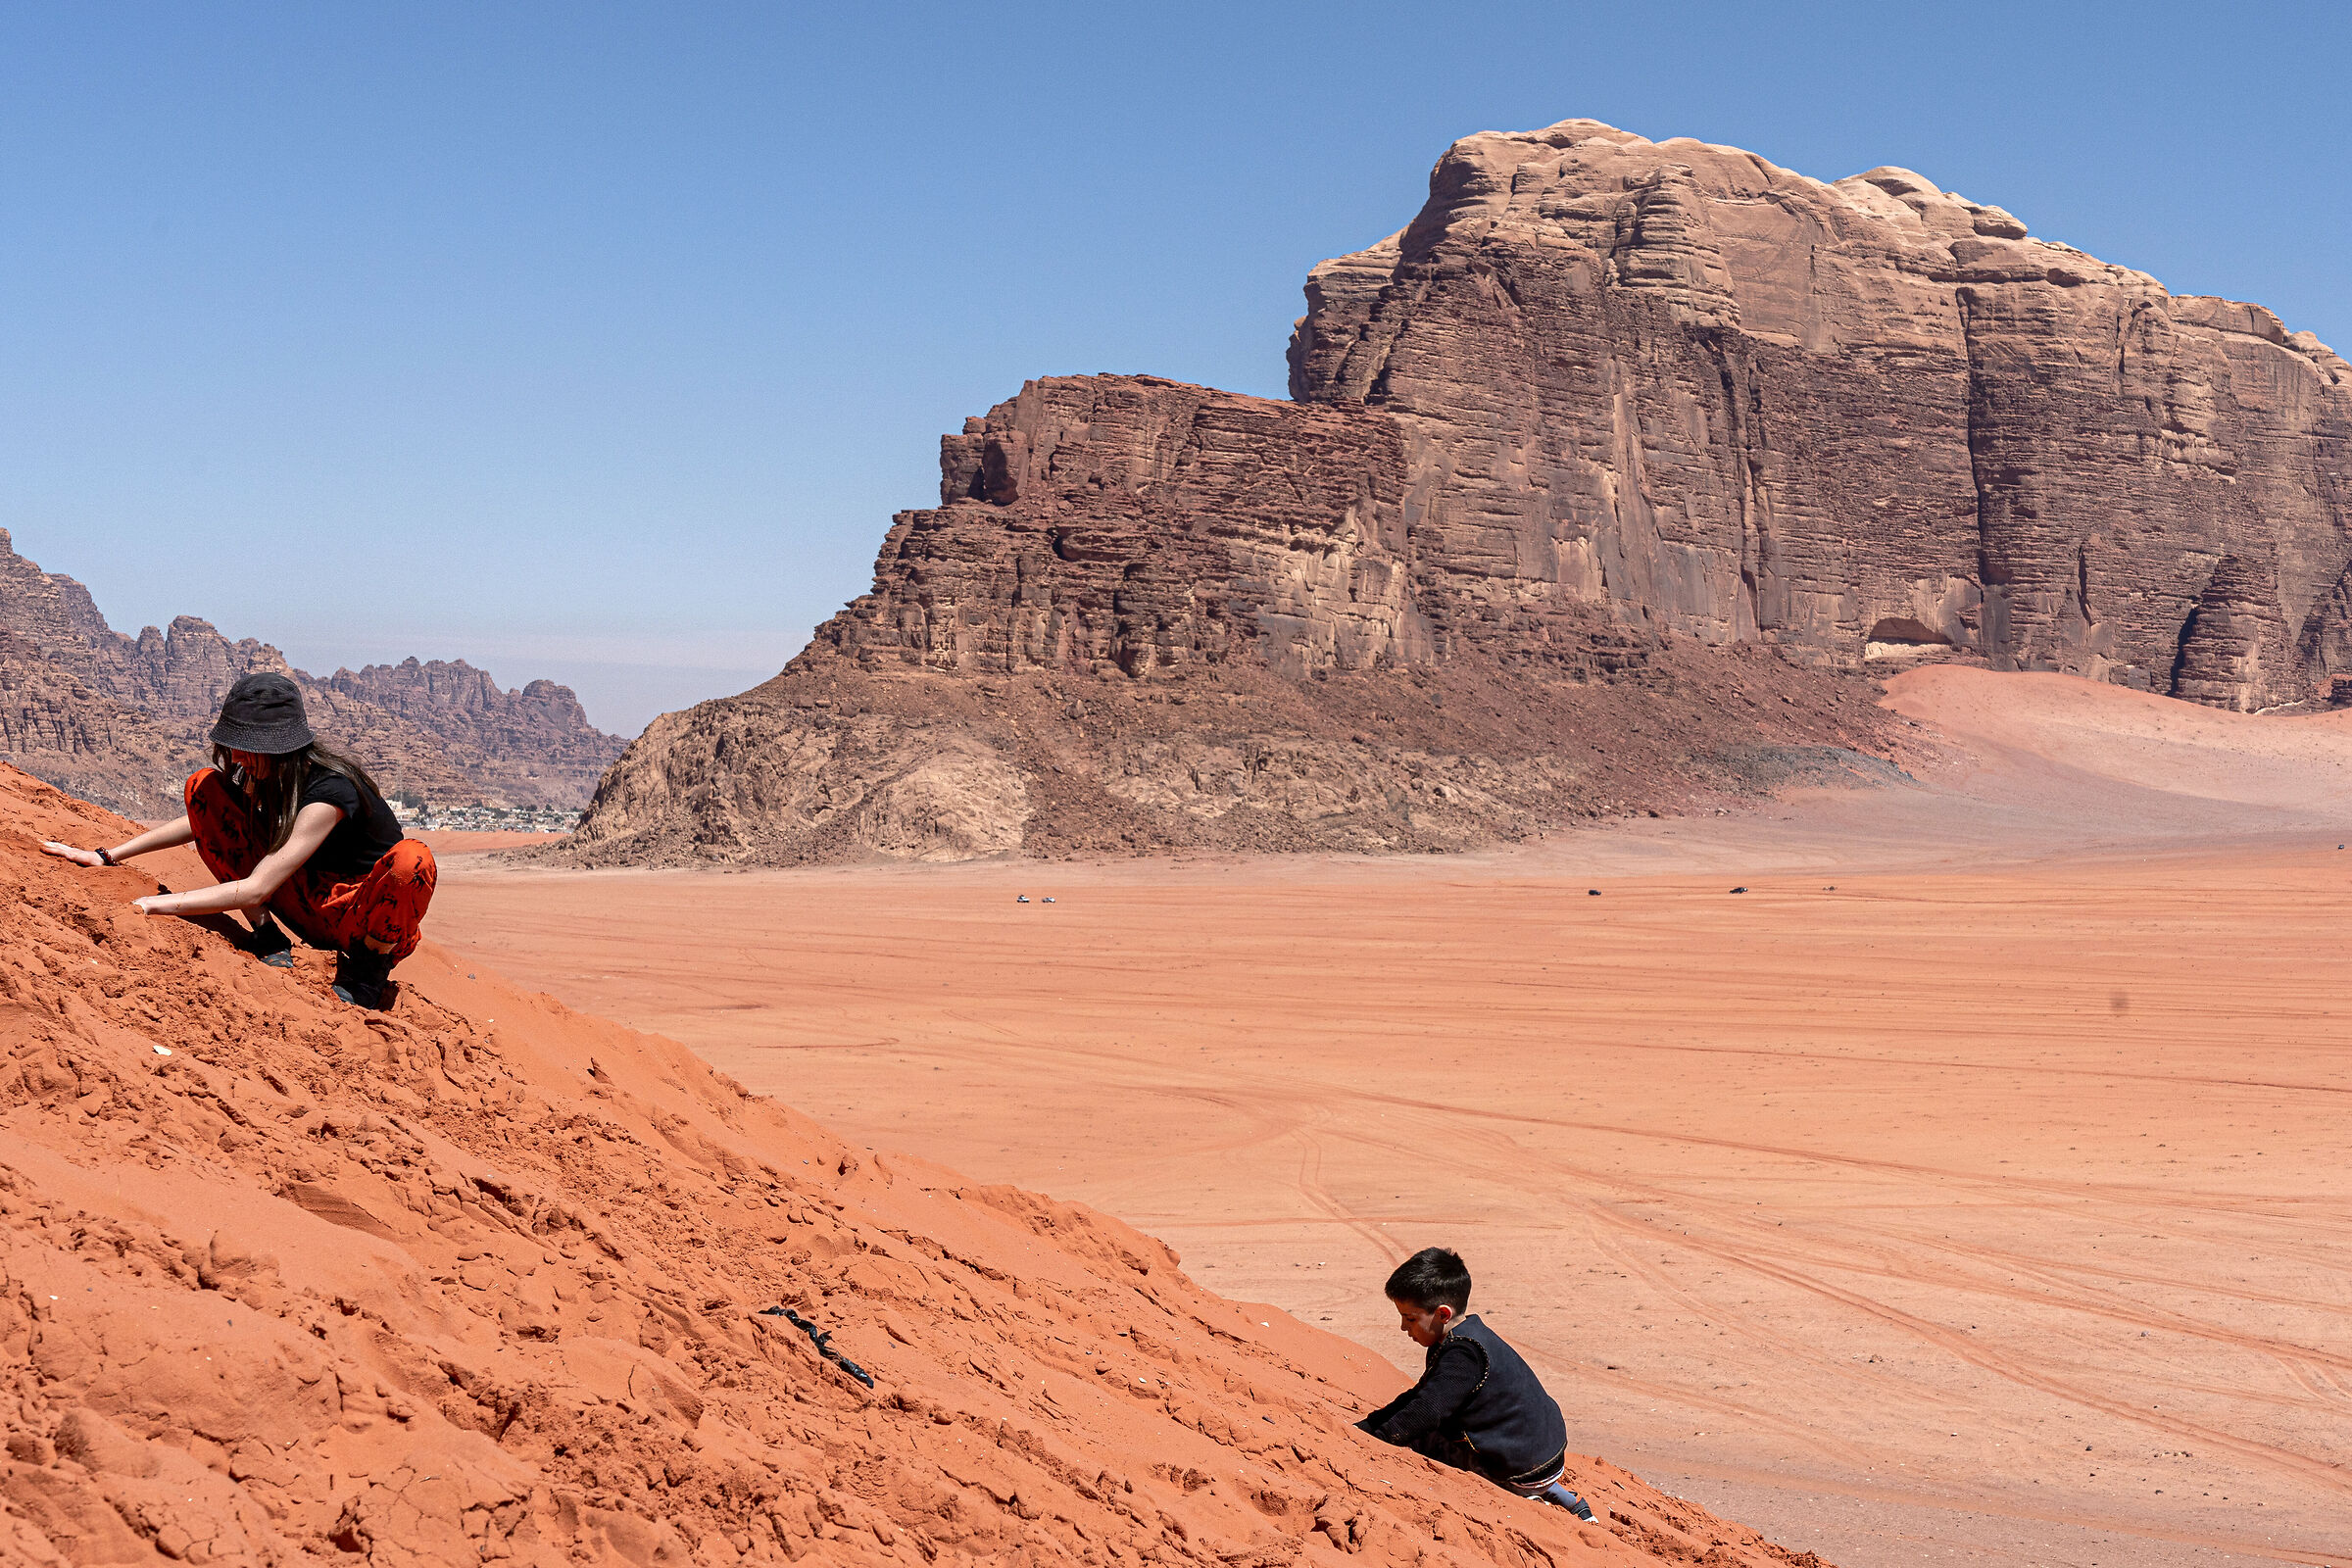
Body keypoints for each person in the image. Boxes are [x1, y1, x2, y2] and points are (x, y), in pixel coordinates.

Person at [40, 672, 436, 1009]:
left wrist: (151, 905)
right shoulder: (265, 775)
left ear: (277, 748)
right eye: (234, 744)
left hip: (362, 919)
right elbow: (202, 820)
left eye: (245, 746)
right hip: (304, 901)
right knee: (203, 786)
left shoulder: (331, 790)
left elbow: (257, 886)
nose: (235, 755)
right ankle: (267, 935)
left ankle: (367, 974)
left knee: (413, 860)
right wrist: (107, 855)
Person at [1355, 1247, 1599, 1524]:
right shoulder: (1469, 1334)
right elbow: (1420, 1395)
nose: (1403, 1327)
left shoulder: (1464, 1354)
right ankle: (1567, 1499)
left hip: (1519, 1468)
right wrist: (1368, 1425)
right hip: (1545, 1456)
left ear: (1443, 1314)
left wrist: (1374, 1440)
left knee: (1422, 1435)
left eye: (1410, 1318)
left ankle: (1517, 1495)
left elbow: (1426, 1411)